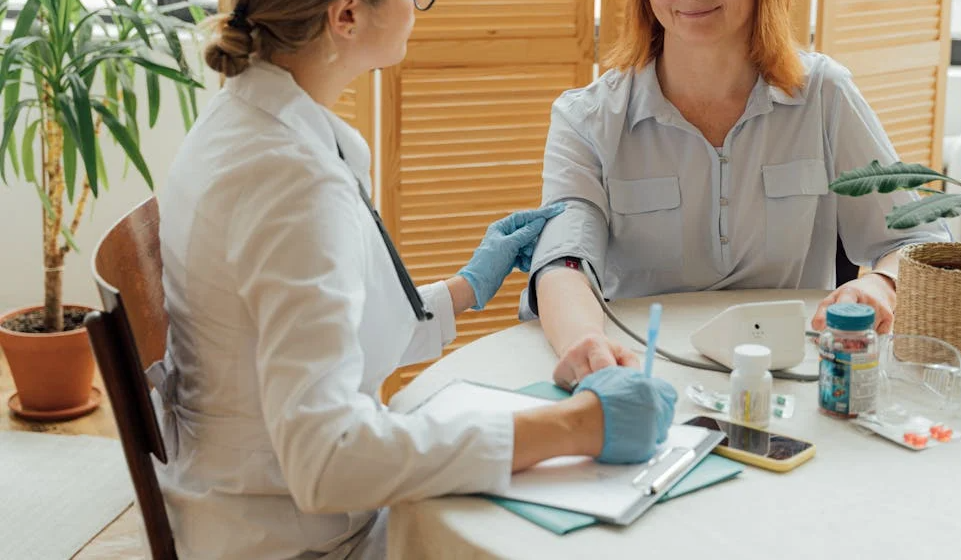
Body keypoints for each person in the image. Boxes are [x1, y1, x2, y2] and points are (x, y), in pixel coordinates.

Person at [152, 0, 677, 558]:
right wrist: (576, 427)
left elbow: (300, 338)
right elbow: (327, 459)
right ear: (347, 16)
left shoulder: (246, 122)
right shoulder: (290, 179)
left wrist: (464, 290)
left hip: (249, 502)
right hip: (297, 540)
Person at [520, 0, 952, 388]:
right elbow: (563, 262)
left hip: (792, 381)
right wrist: (587, 344)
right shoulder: (586, 119)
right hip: (642, 375)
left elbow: (918, 240)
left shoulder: (825, 95)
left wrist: (881, 285)